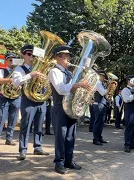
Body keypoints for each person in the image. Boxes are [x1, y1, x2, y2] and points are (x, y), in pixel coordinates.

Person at [49, 45, 92, 174]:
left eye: (69, 56)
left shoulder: (70, 73)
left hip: (71, 107)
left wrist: (86, 90)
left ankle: (69, 160)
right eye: (66, 56)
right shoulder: (54, 72)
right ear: (58, 57)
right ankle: (59, 162)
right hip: (59, 107)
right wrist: (77, 84)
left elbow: (75, 89)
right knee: (61, 136)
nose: (69, 58)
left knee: (70, 137)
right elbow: (61, 88)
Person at [13, 44, 49, 160]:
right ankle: (22, 150)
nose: (32, 56)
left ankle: (38, 147)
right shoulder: (19, 69)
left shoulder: (40, 68)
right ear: (23, 55)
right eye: (29, 54)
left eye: (34, 54)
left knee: (39, 126)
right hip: (28, 100)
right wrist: (30, 75)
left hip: (40, 100)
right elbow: (16, 82)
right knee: (25, 125)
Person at [0, 52, 21, 148]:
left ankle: (9, 139)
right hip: (4, 97)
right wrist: (9, 80)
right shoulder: (2, 71)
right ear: (6, 61)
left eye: (14, 60)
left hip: (16, 97)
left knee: (13, 119)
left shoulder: (18, 71)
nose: (12, 62)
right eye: (10, 60)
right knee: (1, 118)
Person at [121, 75, 134, 153]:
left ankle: (132, 144)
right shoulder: (125, 90)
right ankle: (127, 145)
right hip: (129, 111)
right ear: (129, 81)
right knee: (129, 128)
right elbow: (126, 99)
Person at [92, 70, 108, 146]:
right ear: (99, 76)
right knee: (98, 122)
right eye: (103, 76)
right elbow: (102, 92)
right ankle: (95, 139)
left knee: (101, 122)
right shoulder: (98, 83)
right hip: (98, 104)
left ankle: (99, 137)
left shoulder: (101, 84)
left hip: (102, 103)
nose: (104, 78)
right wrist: (109, 88)